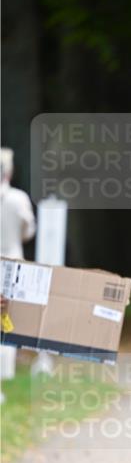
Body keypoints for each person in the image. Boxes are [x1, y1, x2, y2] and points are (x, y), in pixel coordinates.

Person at [0, 148, 36, 401]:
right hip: (12, 262)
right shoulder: (18, 199)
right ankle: (5, 372)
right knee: (7, 320)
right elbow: (28, 232)